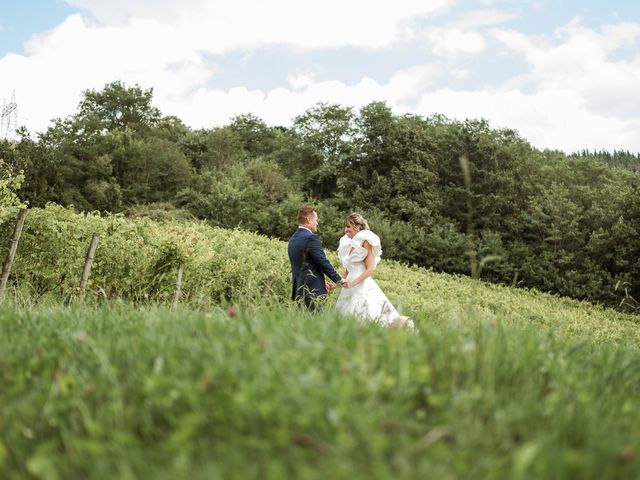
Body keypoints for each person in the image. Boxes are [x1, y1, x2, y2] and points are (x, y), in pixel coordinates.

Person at [335, 213, 414, 328]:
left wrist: (352, 283)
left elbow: (370, 269)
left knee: (367, 315)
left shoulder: (366, 242)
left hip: (360, 284)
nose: (345, 229)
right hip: (348, 286)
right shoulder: (349, 244)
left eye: (348, 226)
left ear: (357, 227)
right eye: (345, 226)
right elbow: (347, 271)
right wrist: (336, 284)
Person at [288, 205, 344, 310]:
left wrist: (322, 281)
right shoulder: (311, 238)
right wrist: (338, 279)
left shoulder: (293, 238)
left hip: (298, 290)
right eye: (316, 220)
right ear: (309, 220)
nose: (317, 223)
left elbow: (306, 264)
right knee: (318, 322)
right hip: (313, 289)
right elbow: (323, 262)